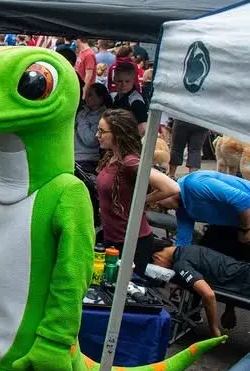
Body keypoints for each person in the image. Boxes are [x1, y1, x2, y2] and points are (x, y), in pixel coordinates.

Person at [95, 109, 176, 276]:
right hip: (112, 238)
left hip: (132, 242)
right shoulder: (111, 157)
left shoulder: (129, 162)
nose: (97, 135)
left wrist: (140, 201)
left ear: (118, 133)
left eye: (102, 131)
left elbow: (171, 188)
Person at [151, 239, 249, 338]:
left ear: (157, 257)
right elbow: (226, 273)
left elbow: (208, 294)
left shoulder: (181, 264)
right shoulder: (190, 248)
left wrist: (214, 329)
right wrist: (229, 310)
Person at [153, 170, 250, 247]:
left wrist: (245, 231)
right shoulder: (182, 210)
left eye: (156, 202)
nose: (159, 206)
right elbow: (183, 242)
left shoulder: (194, 183)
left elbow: (244, 201)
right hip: (240, 221)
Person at [74, 83, 112, 174]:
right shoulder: (84, 112)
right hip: (76, 156)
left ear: (100, 98)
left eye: (90, 95)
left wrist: (81, 120)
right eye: (86, 94)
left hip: (87, 160)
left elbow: (91, 140)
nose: (86, 97)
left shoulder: (103, 116)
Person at [110, 63, 147, 136]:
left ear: (133, 80)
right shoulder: (116, 97)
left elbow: (143, 129)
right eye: (120, 81)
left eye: (127, 81)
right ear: (114, 79)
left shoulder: (136, 101)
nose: (123, 84)